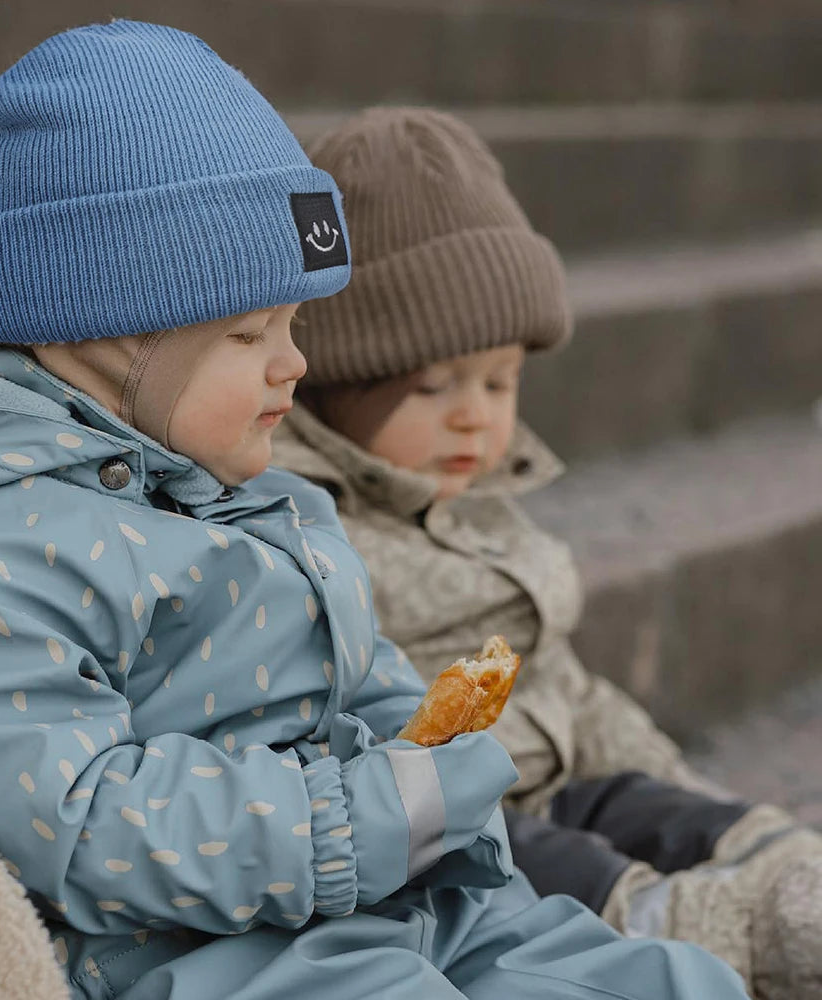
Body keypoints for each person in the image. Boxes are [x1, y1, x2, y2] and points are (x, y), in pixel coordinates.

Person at [0, 23, 751, 1000]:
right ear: (94, 340)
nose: (293, 363)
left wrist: (421, 745)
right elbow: (76, 822)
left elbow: (357, 670)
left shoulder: (234, 486)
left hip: (393, 897)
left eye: (295, 322)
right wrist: (359, 818)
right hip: (205, 951)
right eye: (246, 331)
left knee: (673, 981)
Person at [270, 105, 822, 1000]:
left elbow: (564, 684)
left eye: (501, 382)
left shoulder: (484, 514)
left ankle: (784, 881)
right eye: (432, 385)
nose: (474, 416)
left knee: (677, 811)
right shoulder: (319, 538)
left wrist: (666, 782)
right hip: (461, 824)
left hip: (560, 774)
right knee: (573, 867)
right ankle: (712, 934)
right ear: (335, 385)